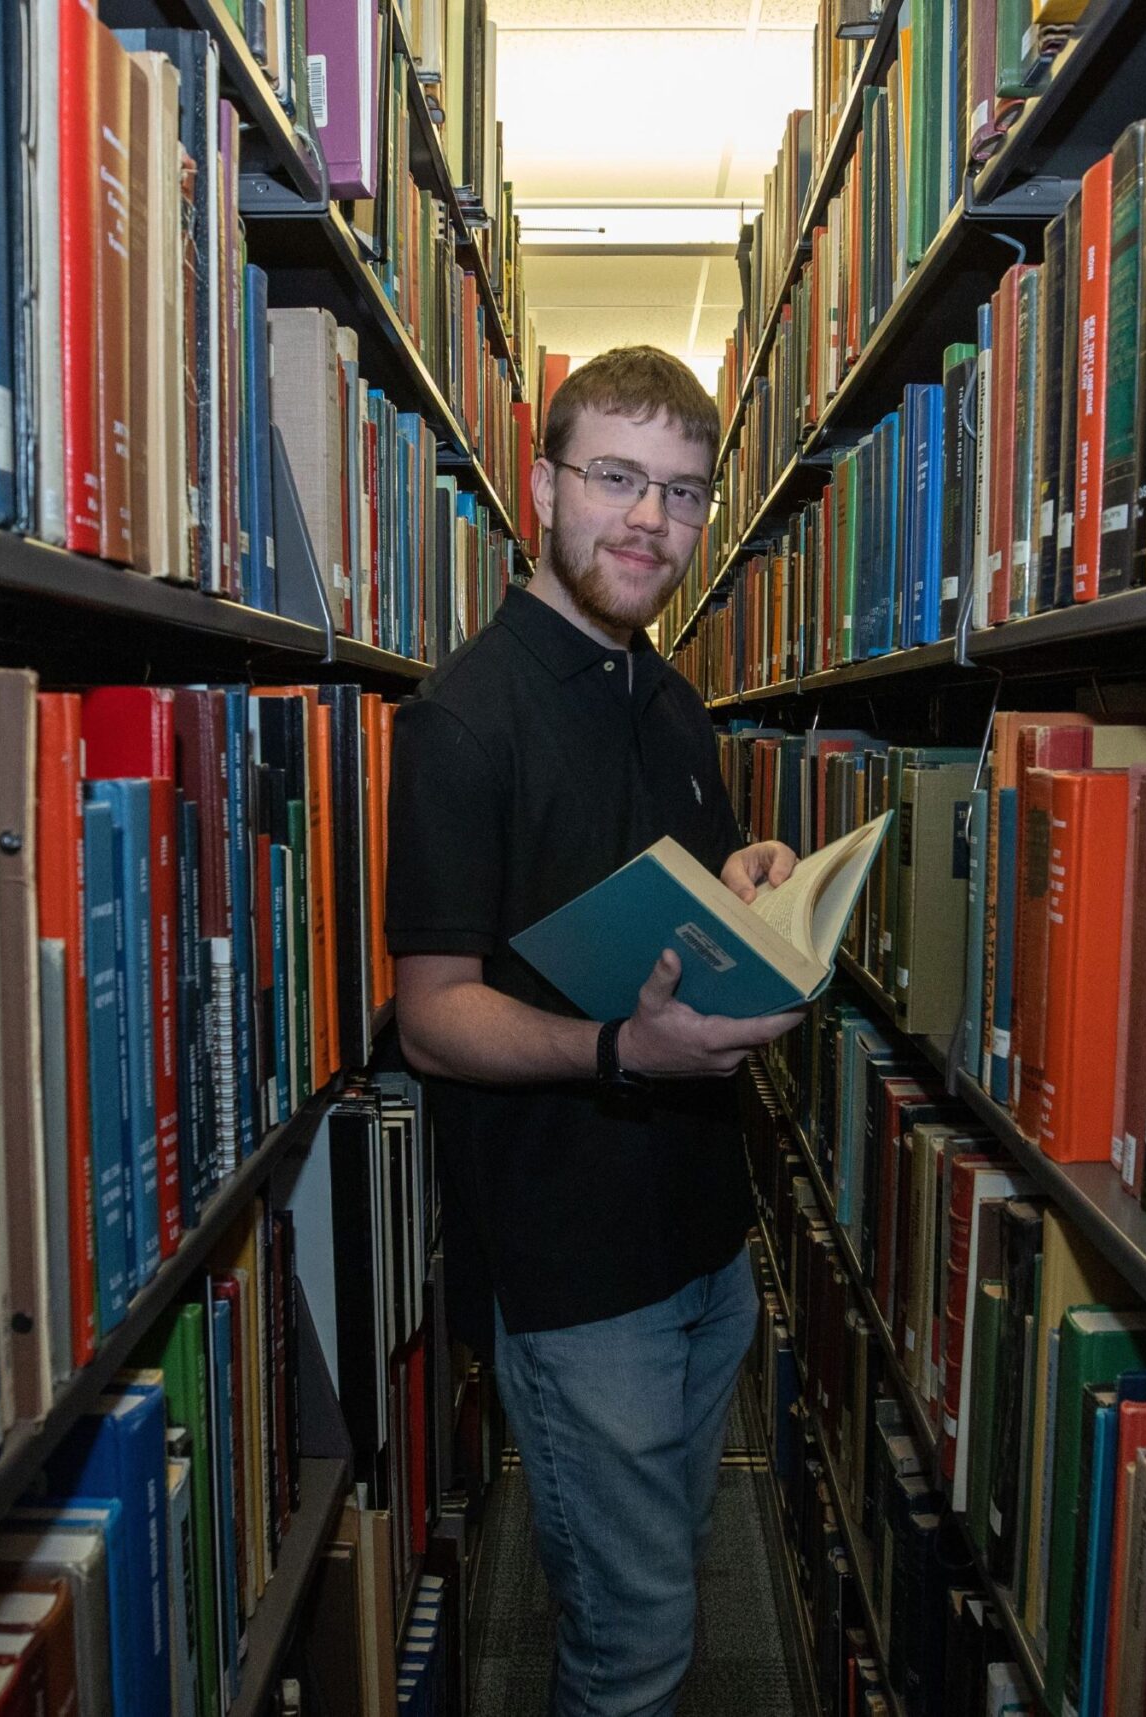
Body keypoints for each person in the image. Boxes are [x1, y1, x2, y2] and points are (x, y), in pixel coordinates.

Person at [386, 346, 805, 1715]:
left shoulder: (672, 700)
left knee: (666, 1590)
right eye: (618, 478)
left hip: (708, 1242)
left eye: (684, 494)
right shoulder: (465, 718)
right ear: (542, 483)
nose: (653, 524)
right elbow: (433, 1017)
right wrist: (617, 1052)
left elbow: (688, 893)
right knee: (629, 1646)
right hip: (578, 1279)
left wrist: (751, 884)